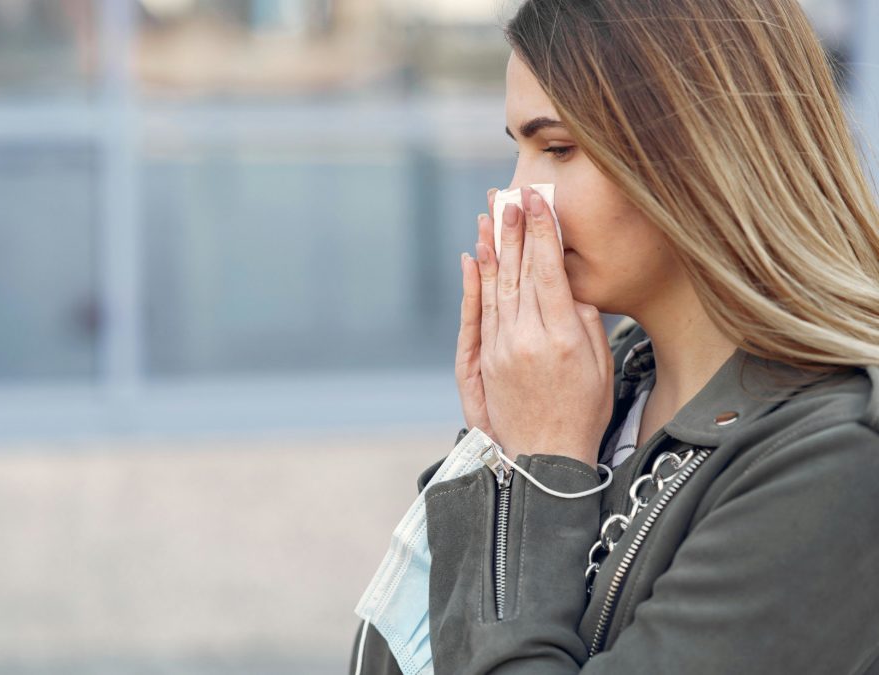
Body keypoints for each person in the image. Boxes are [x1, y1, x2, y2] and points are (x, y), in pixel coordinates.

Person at [350, 0, 879, 672]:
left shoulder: (839, 459)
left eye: (559, 148)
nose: (515, 198)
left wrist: (538, 472)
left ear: (702, 151)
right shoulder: (598, 390)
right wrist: (497, 453)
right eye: (519, 149)